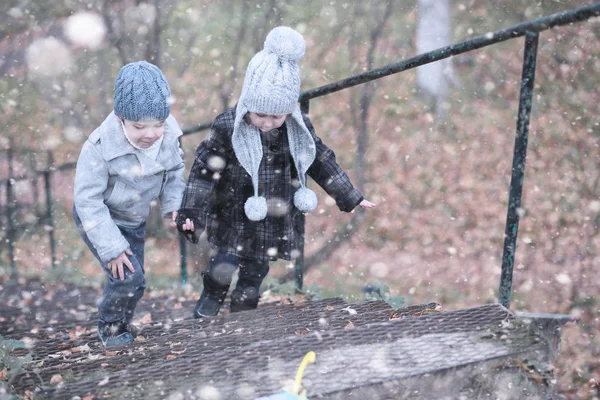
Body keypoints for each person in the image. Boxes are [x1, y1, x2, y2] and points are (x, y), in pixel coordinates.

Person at [176, 27, 375, 318]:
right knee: (223, 265)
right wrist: (190, 211)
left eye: (277, 116)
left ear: (288, 110)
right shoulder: (228, 126)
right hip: (232, 213)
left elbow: (319, 158)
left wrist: (349, 195)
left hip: (272, 217)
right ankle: (211, 298)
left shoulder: (297, 128)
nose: (268, 123)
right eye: (260, 115)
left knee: (255, 274)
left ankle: (243, 315)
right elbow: (204, 170)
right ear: (247, 103)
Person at [73, 61, 186, 347]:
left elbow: (174, 171)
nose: (150, 134)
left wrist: (174, 205)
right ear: (121, 118)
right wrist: (111, 247)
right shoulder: (99, 147)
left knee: (137, 282)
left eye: (157, 125)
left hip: (134, 217)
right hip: (101, 218)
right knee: (125, 275)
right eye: (139, 126)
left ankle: (123, 321)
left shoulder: (169, 134)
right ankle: (110, 325)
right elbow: (87, 200)